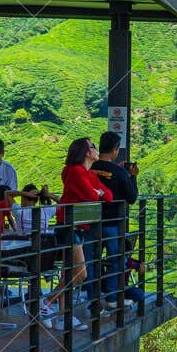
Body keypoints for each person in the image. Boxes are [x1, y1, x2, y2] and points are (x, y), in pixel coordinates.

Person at [43, 137, 111, 326]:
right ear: (86, 152)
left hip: (79, 226)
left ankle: (63, 316)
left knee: (69, 271)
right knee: (80, 274)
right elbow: (91, 195)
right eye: (93, 146)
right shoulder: (75, 172)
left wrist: (97, 192)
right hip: (69, 226)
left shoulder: (88, 174)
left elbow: (109, 196)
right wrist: (97, 193)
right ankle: (47, 301)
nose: (96, 149)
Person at [91, 130, 139, 307]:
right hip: (113, 224)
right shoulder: (120, 173)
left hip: (91, 223)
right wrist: (132, 176)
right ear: (115, 149)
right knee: (115, 260)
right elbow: (132, 197)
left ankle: (91, 299)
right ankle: (111, 297)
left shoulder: (90, 168)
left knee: (91, 261)